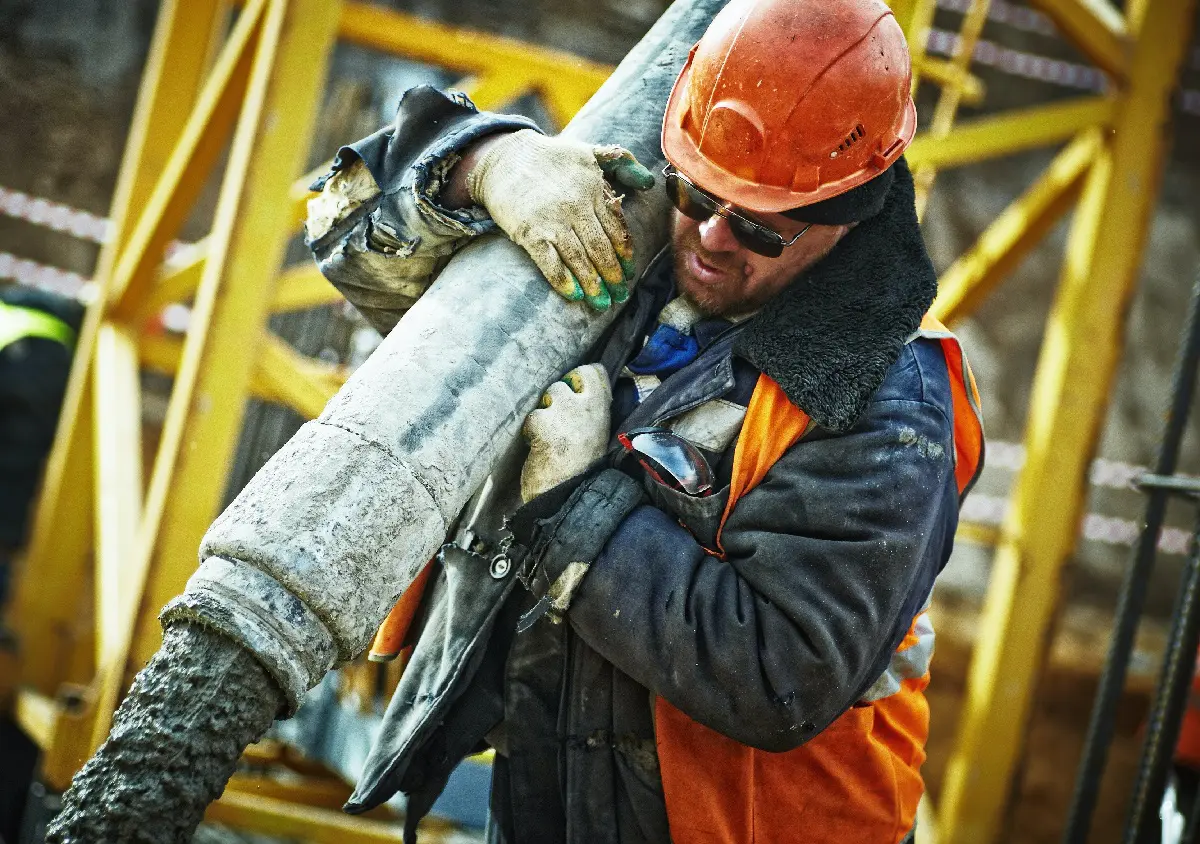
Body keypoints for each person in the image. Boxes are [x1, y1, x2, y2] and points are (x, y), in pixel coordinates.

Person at [306, 0, 984, 841]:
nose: (706, 236)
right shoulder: (640, 233)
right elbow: (343, 230)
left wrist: (573, 508)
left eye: (758, 231)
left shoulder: (889, 404)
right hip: (553, 794)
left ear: (849, 216)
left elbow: (779, 672)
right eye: (696, 192)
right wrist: (482, 166)